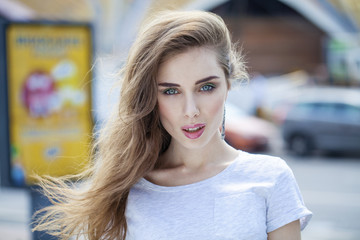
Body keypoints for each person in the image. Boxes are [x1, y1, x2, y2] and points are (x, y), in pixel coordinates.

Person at [33, 10, 312, 240]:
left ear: (228, 84)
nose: (191, 111)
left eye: (206, 87)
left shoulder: (271, 179)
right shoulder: (127, 191)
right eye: (170, 91)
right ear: (151, 98)